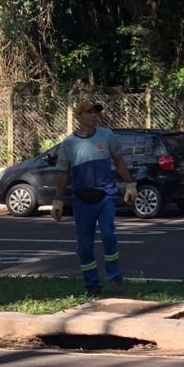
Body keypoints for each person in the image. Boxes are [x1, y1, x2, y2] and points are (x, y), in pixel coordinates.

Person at [52, 101, 137, 297]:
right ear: (79, 116)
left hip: (106, 196)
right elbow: (63, 173)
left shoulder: (106, 136)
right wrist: (58, 199)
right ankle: (91, 283)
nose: (93, 116)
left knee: (108, 236)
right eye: (89, 112)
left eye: (95, 112)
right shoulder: (69, 144)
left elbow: (118, 161)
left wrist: (130, 183)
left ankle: (115, 279)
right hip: (82, 200)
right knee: (84, 244)